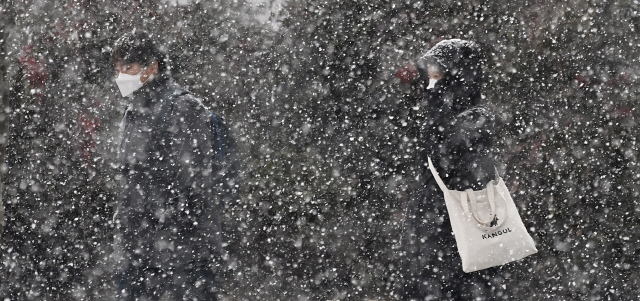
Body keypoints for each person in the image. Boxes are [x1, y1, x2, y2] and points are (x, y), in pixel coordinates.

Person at [111, 30, 227, 300]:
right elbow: (131, 180)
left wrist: (150, 219)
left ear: (152, 67)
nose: (121, 76)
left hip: (181, 258)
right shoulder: (134, 110)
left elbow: (190, 185)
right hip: (139, 255)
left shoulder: (184, 108)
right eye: (118, 69)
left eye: (128, 67)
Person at [399, 39, 500, 300]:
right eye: (430, 75)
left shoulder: (476, 117)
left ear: (459, 76)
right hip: (431, 229)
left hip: (459, 229)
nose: (432, 83)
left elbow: (450, 159)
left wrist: (437, 109)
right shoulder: (438, 113)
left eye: (439, 74)